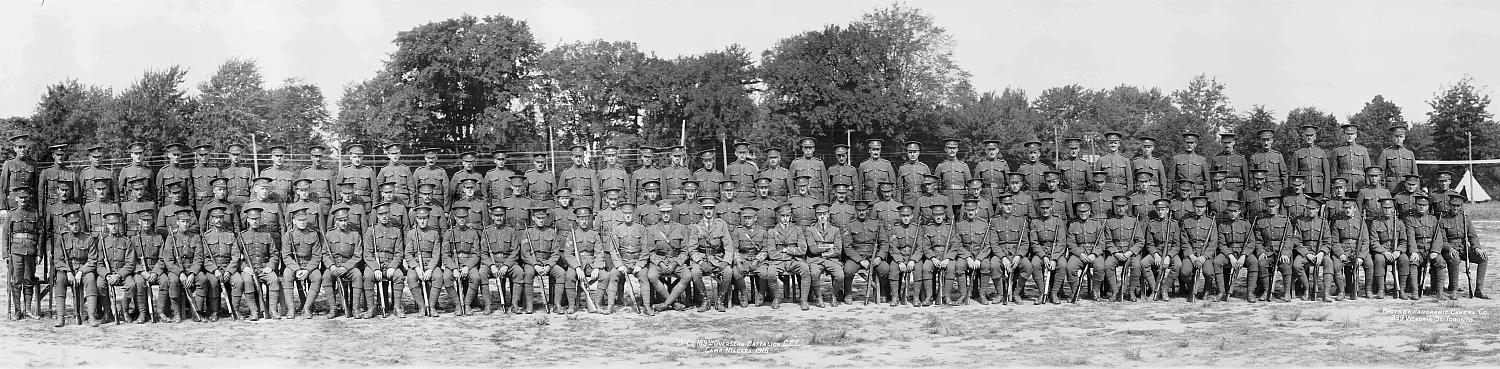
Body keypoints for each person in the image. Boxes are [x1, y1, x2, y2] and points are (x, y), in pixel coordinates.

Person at [49, 209, 94, 326]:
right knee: (59, 281)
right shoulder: (62, 238)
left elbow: (92, 260)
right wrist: (68, 272)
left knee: (90, 279)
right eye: (72, 224)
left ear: (81, 223)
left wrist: (81, 272)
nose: (75, 226)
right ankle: (60, 318)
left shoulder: (88, 238)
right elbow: (57, 260)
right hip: (65, 270)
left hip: (83, 269)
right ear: (67, 225)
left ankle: (92, 316)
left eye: (77, 223)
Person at [236, 207, 283, 319]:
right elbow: (236, 256)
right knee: (247, 281)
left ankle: (272, 310)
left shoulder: (267, 235)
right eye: (252, 219)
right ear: (248, 220)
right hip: (249, 269)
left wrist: (270, 266)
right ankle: (254, 311)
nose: (255, 221)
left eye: (257, 218)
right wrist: (244, 267)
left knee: (274, 279)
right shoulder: (242, 236)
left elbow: (274, 254)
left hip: (264, 268)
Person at [94, 211, 139, 324]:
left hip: (122, 273)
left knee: (131, 285)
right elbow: (99, 264)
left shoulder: (126, 241)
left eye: (116, 224)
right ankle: (108, 312)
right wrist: (107, 275)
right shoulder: (102, 242)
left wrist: (119, 275)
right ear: (107, 225)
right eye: (111, 224)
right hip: (107, 274)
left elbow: (130, 263)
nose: (114, 227)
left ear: (120, 225)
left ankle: (124, 311)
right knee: (100, 285)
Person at [362, 202, 406, 317]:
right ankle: (371, 308)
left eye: (386, 213)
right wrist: (376, 268)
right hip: (375, 264)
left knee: (399, 275)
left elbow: (399, 253)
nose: (384, 216)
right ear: (377, 215)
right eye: (381, 214)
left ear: (389, 213)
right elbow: (367, 254)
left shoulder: (396, 231)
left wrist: (393, 266)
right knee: (368, 276)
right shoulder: (371, 231)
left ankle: (397, 307)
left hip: (390, 263)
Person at [688, 198, 733, 312]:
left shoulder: (721, 225)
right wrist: (701, 262)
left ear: (714, 210)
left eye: (711, 209)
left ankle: (720, 300)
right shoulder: (696, 226)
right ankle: (705, 300)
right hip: (702, 258)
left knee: (728, 272)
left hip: (717, 258)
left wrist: (725, 261)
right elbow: (692, 249)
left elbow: (728, 245)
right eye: (706, 208)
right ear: (702, 210)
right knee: (695, 272)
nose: (708, 211)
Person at [1438, 196, 1487, 299]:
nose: (1455, 208)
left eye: (1458, 206)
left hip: (1464, 247)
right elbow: (1442, 240)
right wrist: (1450, 248)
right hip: (1449, 248)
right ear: (1449, 205)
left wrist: (1476, 247)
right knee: (1455, 260)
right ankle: (1454, 290)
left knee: (1483, 258)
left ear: (1461, 206)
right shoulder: (1443, 220)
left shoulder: (1465, 218)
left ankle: (1479, 289)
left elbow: (1472, 236)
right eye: (1453, 206)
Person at [5, 186, 42, 319]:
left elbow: (40, 235)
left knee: (28, 280)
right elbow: (5, 236)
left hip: (31, 251)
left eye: (26, 198)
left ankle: (27, 310)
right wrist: (5, 254)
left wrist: (39, 253)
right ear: (16, 199)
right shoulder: (11, 214)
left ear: (29, 198)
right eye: (21, 198)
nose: (23, 200)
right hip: (16, 252)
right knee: (16, 281)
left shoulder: (34, 214)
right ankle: (17, 311)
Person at [480, 204, 522, 314]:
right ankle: (488, 305)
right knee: (482, 272)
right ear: (492, 216)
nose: (499, 218)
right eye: (496, 215)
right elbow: (483, 254)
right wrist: (492, 266)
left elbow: (515, 252)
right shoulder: (486, 231)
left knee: (519, 271)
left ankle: (514, 304)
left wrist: (506, 265)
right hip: (492, 263)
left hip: (507, 262)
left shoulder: (511, 231)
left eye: (501, 215)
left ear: (505, 216)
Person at [404, 206, 445, 316]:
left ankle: (431, 306)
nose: (422, 221)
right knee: (411, 278)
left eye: (425, 218)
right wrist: (417, 268)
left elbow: (436, 254)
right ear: (416, 219)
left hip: (430, 263)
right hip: (416, 263)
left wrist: (430, 270)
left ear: (428, 218)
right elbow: (408, 254)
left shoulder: (434, 233)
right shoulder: (411, 234)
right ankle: (422, 306)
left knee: (438, 276)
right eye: (420, 219)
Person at [329, 207, 370, 317]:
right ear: (336, 221)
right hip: (335, 266)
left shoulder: (355, 235)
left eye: (345, 220)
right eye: (340, 221)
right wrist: (332, 266)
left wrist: (346, 267)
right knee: (325, 276)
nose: (343, 223)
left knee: (357, 274)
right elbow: (325, 254)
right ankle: (333, 308)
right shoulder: (329, 235)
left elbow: (357, 256)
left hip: (349, 267)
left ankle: (355, 308)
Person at [760, 204, 803, 309]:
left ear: (790, 216)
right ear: (778, 217)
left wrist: (786, 250)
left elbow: (802, 249)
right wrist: (790, 254)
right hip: (779, 261)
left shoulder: (797, 229)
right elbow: (771, 253)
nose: (785, 219)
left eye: (787, 216)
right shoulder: (772, 231)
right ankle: (776, 297)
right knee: (770, 273)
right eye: (782, 216)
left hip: (793, 260)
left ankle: (804, 299)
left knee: (805, 269)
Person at [802, 203, 844, 308]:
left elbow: (838, 249)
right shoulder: (810, 230)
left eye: (824, 214)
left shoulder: (835, 230)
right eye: (819, 214)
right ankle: (819, 297)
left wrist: (823, 252)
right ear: (816, 215)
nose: (822, 216)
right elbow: (812, 249)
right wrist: (830, 246)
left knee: (840, 276)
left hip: (831, 260)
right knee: (814, 273)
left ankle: (833, 295)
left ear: (828, 214)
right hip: (815, 260)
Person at [162, 208, 202, 322]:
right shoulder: (171, 238)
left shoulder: (195, 237)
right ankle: (177, 312)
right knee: (173, 281)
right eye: (183, 221)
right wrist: (180, 273)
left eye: (188, 221)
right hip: (176, 270)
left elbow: (198, 258)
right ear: (177, 222)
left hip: (191, 268)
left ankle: (196, 310)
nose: (185, 224)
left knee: (202, 279)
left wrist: (192, 274)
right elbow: (168, 260)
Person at [841, 200, 882, 305]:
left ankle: (882, 293)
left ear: (868, 210)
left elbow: (884, 242)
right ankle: (848, 293)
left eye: (864, 210)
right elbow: (848, 247)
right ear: (856, 211)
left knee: (885, 269)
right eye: (859, 210)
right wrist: (860, 260)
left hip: (873, 256)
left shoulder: (876, 223)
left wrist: (880, 257)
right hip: (856, 256)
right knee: (848, 270)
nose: (861, 213)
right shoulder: (850, 225)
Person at [443, 206, 482, 315]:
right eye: (459, 217)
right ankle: (457, 304)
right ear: (455, 217)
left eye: (464, 217)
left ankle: (467, 303)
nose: (461, 220)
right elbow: (445, 255)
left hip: (468, 262)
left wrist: (467, 267)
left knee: (476, 277)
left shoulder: (472, 233)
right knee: (446, 278)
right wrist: (454, 268)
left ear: (467, 218)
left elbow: (476, 254)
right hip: (453, 263)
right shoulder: (448, 233)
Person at [1102, 195, 1141, 302]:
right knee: (1107, 265)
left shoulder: (1133, 221)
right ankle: (1115, 291)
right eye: (1118, 206)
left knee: (1137, 266)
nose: (1120, 209)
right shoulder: (1110, 222)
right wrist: (1116, 253)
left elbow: (1140, 241)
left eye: (1123, 206)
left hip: (1131, 253)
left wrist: (1130, 252)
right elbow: (1108, 241)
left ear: (1127, 207)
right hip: (1116, 252)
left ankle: (1131, 291)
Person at [1405, 196, 1445, 300]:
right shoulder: (1410, 219)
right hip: (1418, 250)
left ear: (1427, 207)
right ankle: (1415, 291)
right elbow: (1411, 237)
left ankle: (1439, 292)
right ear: (1416, 205)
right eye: (1419, 205)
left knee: (1440, 262)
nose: (1421, 207)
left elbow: (1438, 237)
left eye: (1424, 205)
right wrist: (1413, 251)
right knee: (1413, 262)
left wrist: (1435, 251)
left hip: (1431, 250)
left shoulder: (1433, 219)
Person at [1213, 200, 1253, 302]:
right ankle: (1221, 292)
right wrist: (1231, 257)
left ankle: (1250, 293)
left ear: (1239, 211)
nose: (1233, 214)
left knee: (1254, 262)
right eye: (1230, 211)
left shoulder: (1246, 224)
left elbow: (1251, 242)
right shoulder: (1222, 225)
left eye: (1235, 211)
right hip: (1228, 252)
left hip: (1243, 252)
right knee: (1217, 262)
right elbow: (1221, 244)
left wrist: (1243, 256)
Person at [1029, 199, 1067, 304]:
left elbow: (1061, 242)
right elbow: (1034, 242)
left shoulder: (1058, 221)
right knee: (1035, 264)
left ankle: (1054, 293)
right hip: (1041, 251)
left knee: (1062, 264)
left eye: (1047, 208)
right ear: (1039, 209)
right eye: (1043, 208)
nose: (1045, 210)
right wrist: (1043, 256)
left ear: (1051, 208)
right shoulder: (1035, 222)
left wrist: (1054, 259)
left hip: (1056, 252)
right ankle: (1042, 292)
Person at [920, 204, 957, 306]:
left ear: (944, 215)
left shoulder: (950, 228)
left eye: (941, 214)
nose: (938, 217)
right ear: (933, 216)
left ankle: (947, 296)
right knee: (926, 267)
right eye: (936, 215)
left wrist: (948, 259)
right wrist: (932, 258)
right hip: (933, 256)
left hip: (946, 256)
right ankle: (929, 296)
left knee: (951, 268)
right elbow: (926, 246)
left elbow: (954, 246)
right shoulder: (928, 228)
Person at [953, 199, 989, 304]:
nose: (970, 212)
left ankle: (982, 295)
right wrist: (967, 257)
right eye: (968, 210)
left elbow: (988, 245)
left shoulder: (984, 224)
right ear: (965, 210)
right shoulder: (959, 225)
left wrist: (979, 258)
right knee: (959, 266)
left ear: (977, 210)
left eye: (973, 210)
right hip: (965, 253)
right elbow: (957, 244)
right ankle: (963, 294)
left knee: (986, 265)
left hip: (980, 253)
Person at [1293, 125, 1332, 196]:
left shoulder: (1321, 152)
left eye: (1311, 135)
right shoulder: (1297, 153)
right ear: (1303, 137)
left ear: (1315, 137)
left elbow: (1327, 174)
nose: (1309, 137)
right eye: (1307, 135)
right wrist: (1293, 192)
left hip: (1319, 189)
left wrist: (1326, 193)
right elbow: (1293, 174)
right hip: (1304, 190)